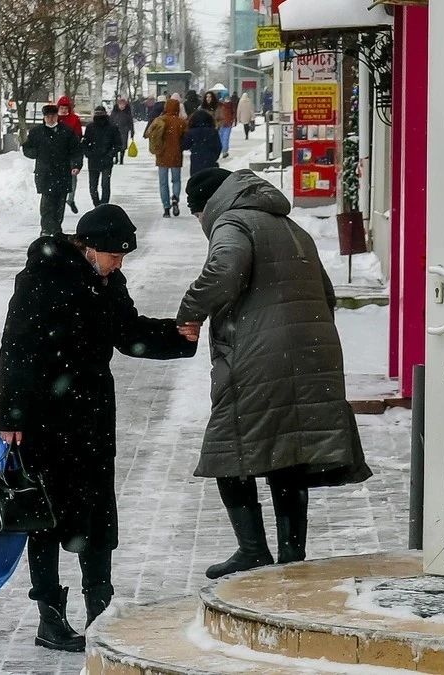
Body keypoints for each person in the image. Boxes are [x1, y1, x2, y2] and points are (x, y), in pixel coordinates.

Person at [0, 205, 197, 651]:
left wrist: (175, 337)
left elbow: (127, 334)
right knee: (45, 519)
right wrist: (10, 418)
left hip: (92, 416)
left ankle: (100, 611)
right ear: (87, 247)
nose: (118, 264)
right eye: (113, 255)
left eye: (123, 258)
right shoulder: (40, 278)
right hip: (45, 418)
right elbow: (16, 347)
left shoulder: (108, 282)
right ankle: (50, 615)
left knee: (97, 514)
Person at [176, 168, 372, 579]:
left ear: (207, 205)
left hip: (263, 356)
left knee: (227, 450)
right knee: (288, 452)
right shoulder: (289, 226)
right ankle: (291, 554)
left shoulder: (232, 221)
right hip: (310, 354)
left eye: (197, 215)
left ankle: (252, 550)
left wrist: (191, 311)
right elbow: (326, 292)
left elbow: (224, 273)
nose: (200, 224)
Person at [22, 104, 83, 237]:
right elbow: (27, 148)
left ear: (57, 117)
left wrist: (76, 165)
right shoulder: (36, 132)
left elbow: (76, 150)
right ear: (44, 118)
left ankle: (56, 229)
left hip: (62, 172)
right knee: (47, 203)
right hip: (44, 173)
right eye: (48, 117)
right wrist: (36, 153)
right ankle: (45, 229)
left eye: (53, 116)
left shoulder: (66, 131)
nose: (50, 119)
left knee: (59, 203)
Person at [144, 97, 187, 218]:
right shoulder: (181, 122)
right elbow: (186, 138)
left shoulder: (159, 120)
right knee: (176, 180)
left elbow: (148, 133)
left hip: (161, 155)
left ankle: (166, 207)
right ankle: (175, 198)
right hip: (176, 155)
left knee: (163, 183)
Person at [81, 105, 122, 206]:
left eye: (101, 114)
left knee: (105, 185)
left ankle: (103, 206)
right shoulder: (90, 127)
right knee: (93, 187)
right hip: (94, 159)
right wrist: (89, 154)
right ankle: (98, 205)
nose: (99, 116)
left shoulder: (112, 127)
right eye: (97, 114)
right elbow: (85, 143)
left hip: (106, 160)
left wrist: (110, 154)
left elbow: (118, 144)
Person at [56, 96, 84, 213]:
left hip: (71, 152)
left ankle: (70, 198)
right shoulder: (55, 118)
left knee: (72, 177)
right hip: (57, 153)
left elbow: (78, 135)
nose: (63, 110)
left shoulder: (74, 119)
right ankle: (59, 198)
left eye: (65, 108)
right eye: (61, 108)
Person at [181, 109, 222, 176]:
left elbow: (185, 145)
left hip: (196, 162)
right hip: (210, 161)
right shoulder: (213, 132)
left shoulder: (191, 132)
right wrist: (214, 157)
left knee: (197, 181)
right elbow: (218, 147)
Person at [110, 97, 135, 164]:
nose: (122, 106)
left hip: (124, 131)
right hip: (115, 131)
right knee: (115, 145)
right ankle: (116, 158)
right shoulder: (114, 112)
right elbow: (110, 121)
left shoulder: (127, 113)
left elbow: (130, 122)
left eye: (123, 104)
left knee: (123, 146)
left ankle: (121, 159)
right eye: (120, 104)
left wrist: (132, 131)